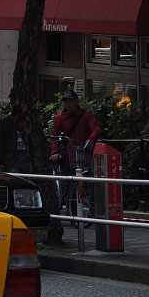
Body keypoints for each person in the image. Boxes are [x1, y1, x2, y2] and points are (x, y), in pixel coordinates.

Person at [47, 88, 99, 244]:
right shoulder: (60, 117)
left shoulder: (86, 114)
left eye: (70, 100)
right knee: (70, 184)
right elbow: (54, 137)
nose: (68, 103)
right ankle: (74, 214)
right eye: (66, 101)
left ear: (76, 101)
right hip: (69, 155)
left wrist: (90, 140)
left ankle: (92, 212)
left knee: (89, 183)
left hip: (84, 153)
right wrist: (55, 152)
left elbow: (95, 129)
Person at [0, 107, 33, 174]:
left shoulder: (28, 119)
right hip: (12, 159)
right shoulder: (4, 121)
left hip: (26, 157)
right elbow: (1, 145)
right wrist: (0, 163)